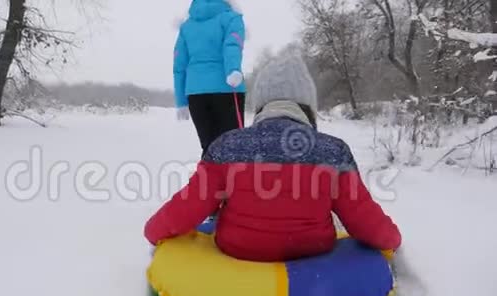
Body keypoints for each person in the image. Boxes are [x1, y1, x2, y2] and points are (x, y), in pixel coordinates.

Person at [145, 52, 401, 262]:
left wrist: (154, 230)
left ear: (261, 105)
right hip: (311, 253)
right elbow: (362, 218)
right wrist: (392, 238)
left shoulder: (226, 146)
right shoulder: (334, 152)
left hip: (239, 250)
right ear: (308, 108)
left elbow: (189, 206)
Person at [173, 0, 247, 157]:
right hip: (227, 89)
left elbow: (179, 65)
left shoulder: (187, 27)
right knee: (233, 148)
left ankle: (209, 180)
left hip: (196, 94)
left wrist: (181, 101)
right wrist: (233, 70)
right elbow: (232, 45)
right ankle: (233, 180)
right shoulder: (232, 18)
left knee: (209, 149)